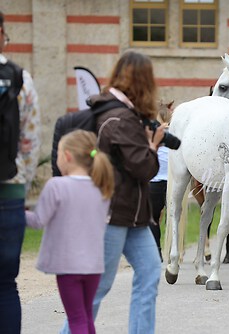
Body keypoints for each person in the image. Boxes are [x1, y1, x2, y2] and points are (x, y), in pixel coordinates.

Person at [60, 50, 165, 334]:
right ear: (143, 81)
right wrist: (153, 146)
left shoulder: (122, 114)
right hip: (111, 214)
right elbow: (143, 168)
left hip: (130, 215)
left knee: (150, 271)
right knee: (96, 289)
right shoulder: (119, 117)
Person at [25, 130, 113, 334]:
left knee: (76, 318)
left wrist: (16, 214)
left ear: (67, 157)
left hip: (68, 266)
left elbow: (38, 221)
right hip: (94, 266)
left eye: (57, 156)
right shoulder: (102, 188)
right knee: (87, 316)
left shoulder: (56, 186)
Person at [0, 11, 41, 334]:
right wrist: (20, 189)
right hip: (8, 193)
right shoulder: (19, 79)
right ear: (2, 34)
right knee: (6, 287)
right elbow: (30, 143)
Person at [149, 100, 173, 263]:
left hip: (155, 183)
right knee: (174, 219)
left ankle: (157, 251)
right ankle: (173, 250)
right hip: (172, 182)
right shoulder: (174, 133)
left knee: (153, 219)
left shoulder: (152, 134)